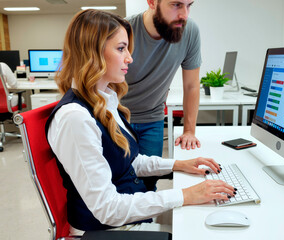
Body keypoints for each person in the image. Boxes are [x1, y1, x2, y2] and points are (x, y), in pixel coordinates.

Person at [46, 9, 235, 236]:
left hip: (124, 218)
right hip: (106, 229)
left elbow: (129, 163)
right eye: (120, 48)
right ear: (92, 53)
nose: (130, 58)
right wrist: (185, 195)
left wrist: (177, 165)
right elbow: (108, 209)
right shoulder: (75, 118)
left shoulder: (104, 100)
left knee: (206, 214)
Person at [122, 0, 202, 191]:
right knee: (121, 181)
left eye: (189, 5)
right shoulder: (124, 30)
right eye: (176, 4)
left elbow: (191, 86)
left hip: (153, 118)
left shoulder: (189, 31)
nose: (184, 14)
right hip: (118, 117)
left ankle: (147, 221)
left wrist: (189, 131)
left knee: (149, 182)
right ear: (151, 2)